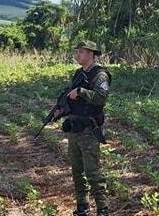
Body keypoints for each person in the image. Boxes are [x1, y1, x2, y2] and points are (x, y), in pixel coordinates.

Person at [61, 40, 111, 216]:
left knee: (92, 171)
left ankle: (102, 209)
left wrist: (81, 92)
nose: (78, 55)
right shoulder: (77, 74)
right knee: (77, 171)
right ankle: (82, 206)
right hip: (75, 129)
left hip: (89, 131)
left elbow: (100, 99)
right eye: (77, 52)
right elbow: (70, 97)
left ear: (91, 54)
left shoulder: (100, 75)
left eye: (81, 52)